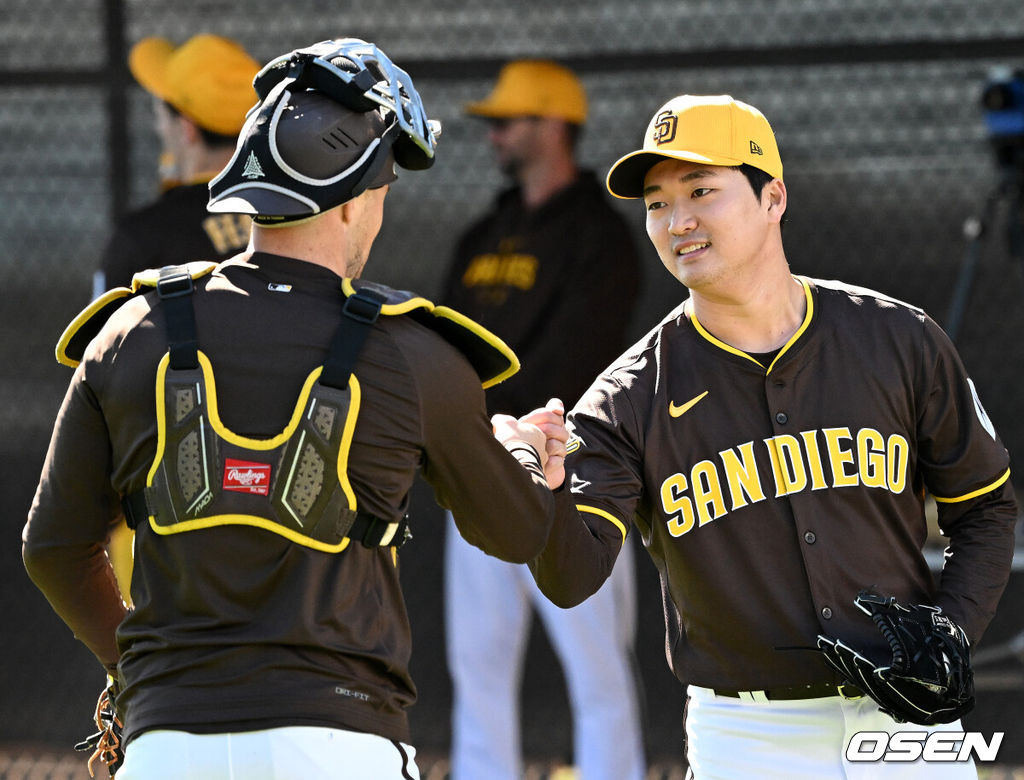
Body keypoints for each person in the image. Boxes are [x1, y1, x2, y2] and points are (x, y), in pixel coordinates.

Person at [23, 38, 562, 780]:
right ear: (355, 199)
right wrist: (525, 451)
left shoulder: (129, 331)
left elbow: (52, 549)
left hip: (167, 742)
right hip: (343, 746)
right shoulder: (415, 354)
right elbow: (518, 529)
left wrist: (135, 670)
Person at [520, 95, 1018, 778]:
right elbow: (573, 577)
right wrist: (541, 498)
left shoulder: (898, 338)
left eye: (701, 190)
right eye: (658, 203)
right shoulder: (626, 397)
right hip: (748, 733)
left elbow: (986, 507)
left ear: (773, 197)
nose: (677, 220)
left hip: (905, 719)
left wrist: (951, 636)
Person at [440, 60, 646, 780]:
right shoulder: (482, 233)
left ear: (553, 126)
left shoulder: (603, 235)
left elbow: (582, 354)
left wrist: (512, 422)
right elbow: (444, 347)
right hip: (480, 470)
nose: (493, 135)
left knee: (596, 669)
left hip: (571, 471)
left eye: (507, 121)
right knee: (479, 665)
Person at [92, 33, 260, 297]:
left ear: (187, 130)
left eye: (159, 115)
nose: (157, 127)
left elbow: (100, 335)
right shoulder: (297, 219)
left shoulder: (143, 238)